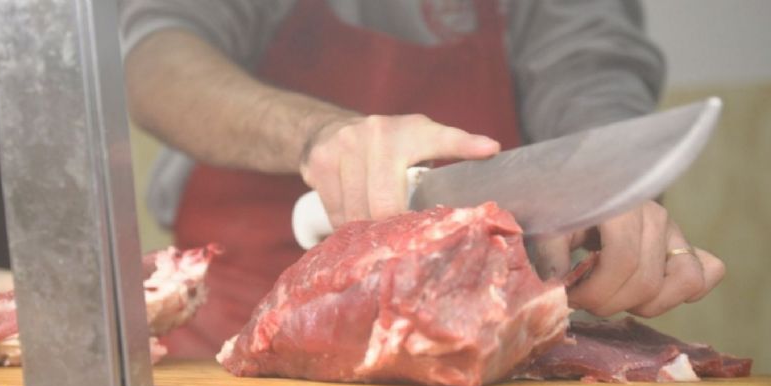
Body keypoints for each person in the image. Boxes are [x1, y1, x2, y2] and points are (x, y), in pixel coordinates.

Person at [119, 0, 725, 358]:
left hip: (471, 339)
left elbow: (592, 68)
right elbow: (154, 56)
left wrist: (610, 182)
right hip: (238, 331)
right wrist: (317, 134)